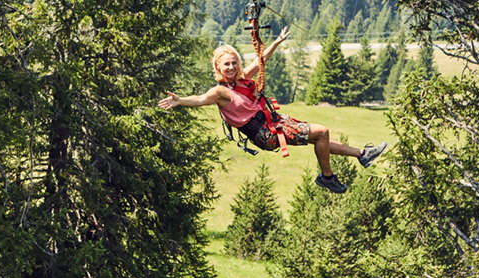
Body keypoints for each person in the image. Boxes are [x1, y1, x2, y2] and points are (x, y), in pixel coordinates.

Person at [158, 27, 387, 193]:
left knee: (319, 138)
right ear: (218, 67)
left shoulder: (242, 79)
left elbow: (260, 60)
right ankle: (327, 177)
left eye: (233, 63)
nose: (231, 67)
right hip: (265, 134)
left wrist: (276, 43)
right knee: (321, 132)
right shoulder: (220, 92)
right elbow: (201, 99)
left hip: (274, 122)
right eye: (226, 64)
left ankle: (362, 155)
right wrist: (180, 100)